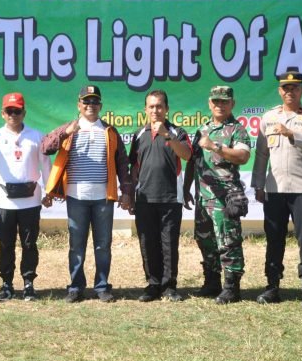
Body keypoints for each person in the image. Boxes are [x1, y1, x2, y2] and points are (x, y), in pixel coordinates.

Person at [41, 85, 133, 303]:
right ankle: (75, 287)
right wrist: (65, 133)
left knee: (103, 245)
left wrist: (127, 191)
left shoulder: (109, 131)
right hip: (76, 197)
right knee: (76, 245)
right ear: (78, 105)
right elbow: (45, 147)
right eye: (86, 101)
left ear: (100, 105)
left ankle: (102, 286)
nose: (90, 105)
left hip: (103, 197)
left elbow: (122, 163)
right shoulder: (69, 129)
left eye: (94, 102)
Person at [251, 72, 302, 308]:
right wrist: (259, 184)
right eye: (285, 88)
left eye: (294, 88)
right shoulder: (269, 117)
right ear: (279, 91)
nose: (289, 92)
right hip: (274, 188)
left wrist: (294, 134)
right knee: (274, 239)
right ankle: (272, 286)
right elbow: (261, 154)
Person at [0, 92, 52, 301]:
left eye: (17, 111)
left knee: (29, 243)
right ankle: (6, 284)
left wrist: (50, 190)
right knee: (5, 243)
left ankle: (28, 283)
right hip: (4, 200)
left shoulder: (36, 136)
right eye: (9, 111)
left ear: (24, 112)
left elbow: (45, 165)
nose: (13, 115)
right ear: (2, 113)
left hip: (31, 199)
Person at [182, 86, 251, 304]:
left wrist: (216, 147)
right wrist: (186, 189)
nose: (219, 105)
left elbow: (242, 156)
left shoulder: (237, 130)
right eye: (216, 101)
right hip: (203, 197)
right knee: (205, 240)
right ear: (209, 103)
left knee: (228, 241)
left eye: (224, 101)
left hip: (224, 197)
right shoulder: (202, 129)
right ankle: (212, 282)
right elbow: (194, 161)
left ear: (232, 103)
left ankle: (232, 287)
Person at [128, 90, 192, 302]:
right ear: (145, 110)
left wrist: (167, 135)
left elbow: (186, 154)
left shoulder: (178, 132)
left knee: (169, 244)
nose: (155, 110)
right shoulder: (138, 135)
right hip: (144, 199)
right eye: (151, 106)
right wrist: (130, 194)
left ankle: (169, 286)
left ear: (166, 109)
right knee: (148, 244)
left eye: (159, 106)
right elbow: (134, 169)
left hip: (170, 199)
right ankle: (153, 285)